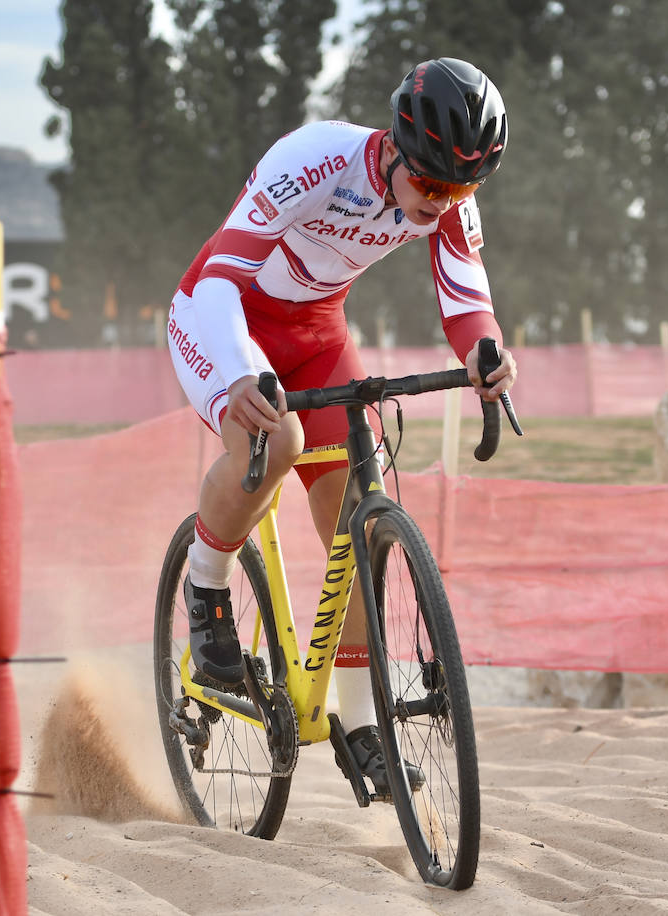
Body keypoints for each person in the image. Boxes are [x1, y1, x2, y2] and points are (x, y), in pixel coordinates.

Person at [166, 58, 518, 791]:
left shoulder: (449, 194)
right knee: (277, 438)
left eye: (460, 190)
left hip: (319, 337)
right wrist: (239, 374)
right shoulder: (313, 159)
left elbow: (463, 293)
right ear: (397, 148)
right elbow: (225, 278)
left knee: (358, 520)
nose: (441, 203)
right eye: (430, 185)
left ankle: (359, 722)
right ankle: (206, 590)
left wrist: (485, 350)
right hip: (220, 316)